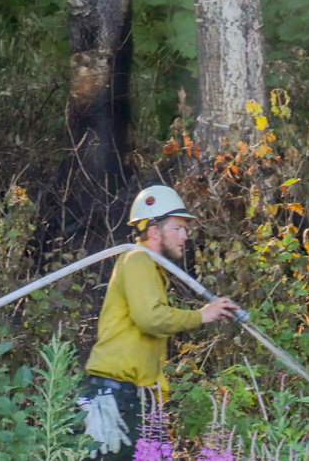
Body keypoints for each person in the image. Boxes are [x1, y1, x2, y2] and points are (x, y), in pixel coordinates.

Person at [77, 184, 240, 459]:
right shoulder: (137, 259)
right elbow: (150, 318)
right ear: (154, 230)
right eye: (177, 228)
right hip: (117, 399)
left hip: (136, 399)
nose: (185, 236)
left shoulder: (149, 266)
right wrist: (202, 315)